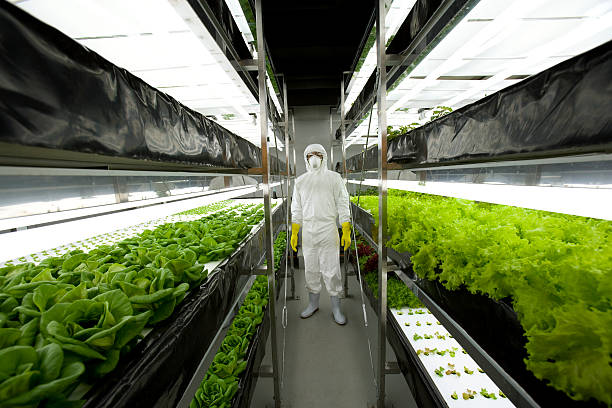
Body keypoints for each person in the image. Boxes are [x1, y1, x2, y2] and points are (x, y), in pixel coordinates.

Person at [290, 144, 352, 325]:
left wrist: (345, 229)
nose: (314, 157)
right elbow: (297, 209)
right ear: (305, 158)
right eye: (310, 154)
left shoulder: (334, 178)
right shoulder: (300, 181)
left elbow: (342, 203)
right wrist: (295, 232)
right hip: (308, 231)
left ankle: (336, 309)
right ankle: (313, 304)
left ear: (324, 156)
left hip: (328, 229)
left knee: (332, 269)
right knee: (310, 269)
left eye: (318, 154)